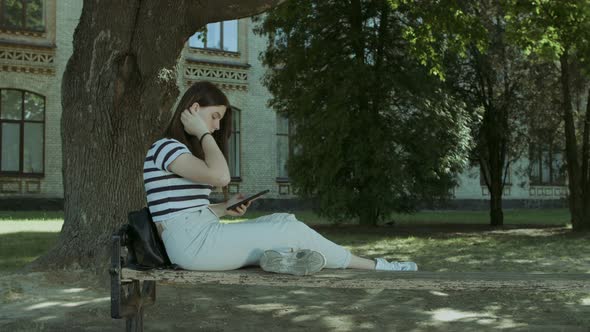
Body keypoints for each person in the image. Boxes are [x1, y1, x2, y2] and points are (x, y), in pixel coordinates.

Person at [143, 81, 418, 276]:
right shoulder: (166, 147)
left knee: (283, 220)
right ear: (193, 109)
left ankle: (282, 259)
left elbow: (184, 210)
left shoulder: (177, 152)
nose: (215, 127)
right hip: (193, 245)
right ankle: (374, 266)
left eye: (217, 121)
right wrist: (202, 133)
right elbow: (221, 177)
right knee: (291, 231)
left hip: (196, 238)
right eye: (213, 117)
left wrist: (224, 209)